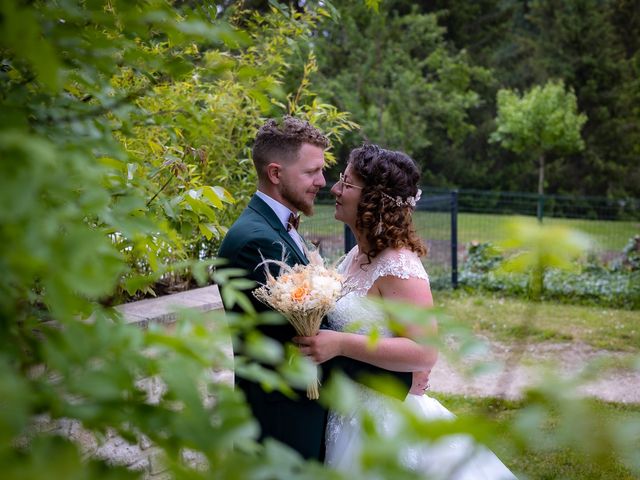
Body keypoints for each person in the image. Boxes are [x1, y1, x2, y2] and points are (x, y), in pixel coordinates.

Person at [295, 144, 518, 478]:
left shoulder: (399, 265)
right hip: (349, 411)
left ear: (374, 199)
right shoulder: (356, 254)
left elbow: (424, 353)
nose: (335, 189)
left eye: (347, 183)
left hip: (386, 418)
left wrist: (339, 344)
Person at [217, 118, 414, 461]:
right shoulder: (257, 242)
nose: (323, 183)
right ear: (276, 174)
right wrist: (398, 378)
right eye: (312, 172)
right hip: (282, 426)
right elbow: (307, 339)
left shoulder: (277, 229)